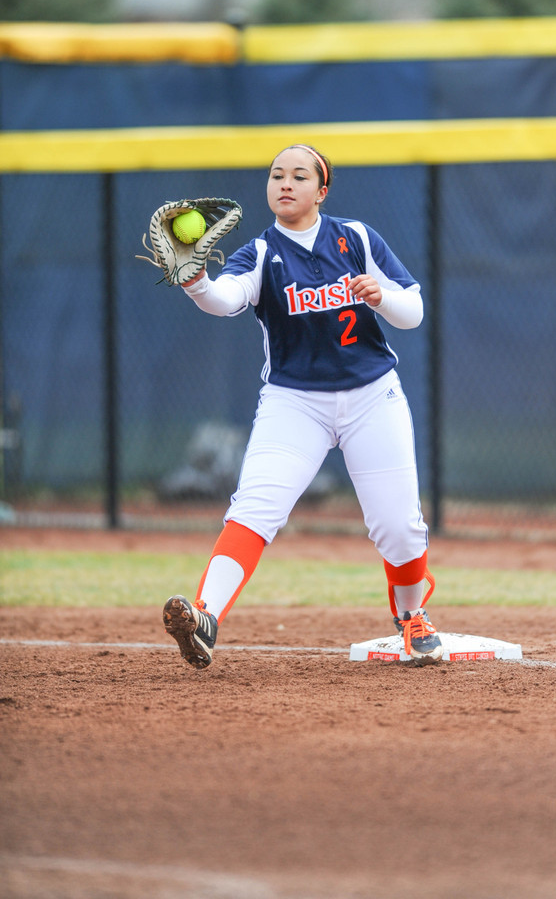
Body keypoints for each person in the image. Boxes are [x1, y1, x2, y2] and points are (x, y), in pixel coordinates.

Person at [162, 144, 443, 667]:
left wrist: (381, 295)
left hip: (371, 396)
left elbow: (414, 311)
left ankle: (411, 617)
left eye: (298, 176)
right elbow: (225, 300)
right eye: (276, 176)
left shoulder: (355, 238)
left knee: (398, 524)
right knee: (255, 507)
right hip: (295, 403)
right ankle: (204, 617)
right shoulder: (262, 252)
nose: (285, 184)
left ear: (322, 190)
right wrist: (195, 280)